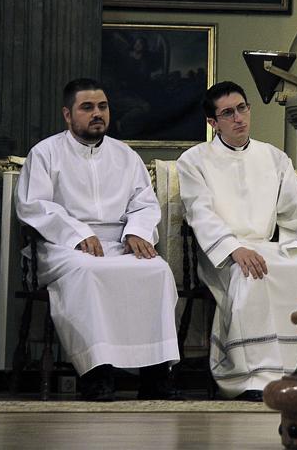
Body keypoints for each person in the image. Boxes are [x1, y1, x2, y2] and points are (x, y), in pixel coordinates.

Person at [15, 78, 180, 401]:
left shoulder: (125, 155)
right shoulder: (46, 153)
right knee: (89, 272)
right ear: (67, 114)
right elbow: (34, 205)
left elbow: (144, 203)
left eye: (102, 107)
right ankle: (97, 372)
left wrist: (136, 232)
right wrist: (78, 234)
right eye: (87, 107)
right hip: (62, 246)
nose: (97, 114)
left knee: (156, 271)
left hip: (119, 242)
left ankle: (156, 372)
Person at [176, 81, 297, 401]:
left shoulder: (273, 157)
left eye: (242, 108)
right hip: (223, 252)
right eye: (228, 113)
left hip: (266, 246)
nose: (239, 118)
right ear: (212, 122)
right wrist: (233, 248)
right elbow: (199, 211)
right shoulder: (194, 160)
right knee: (253, 275)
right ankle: (255, 374)